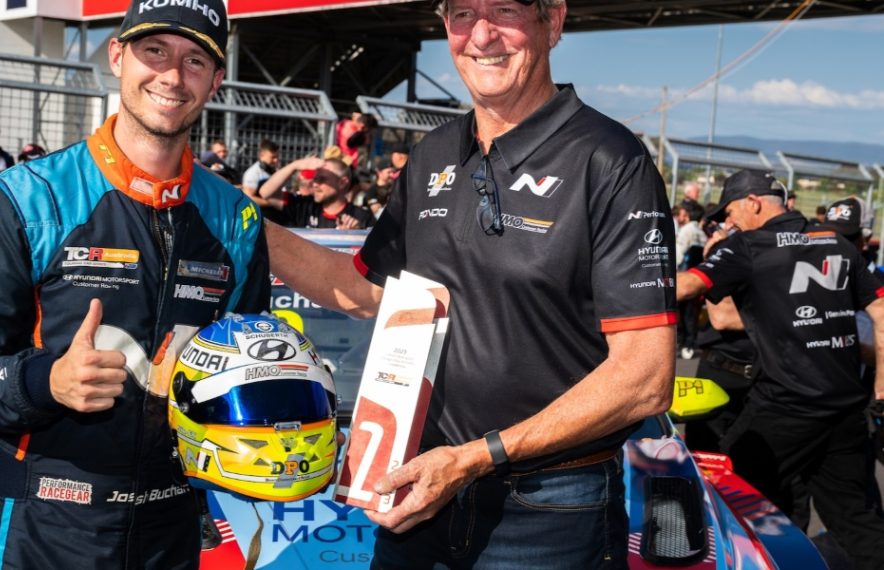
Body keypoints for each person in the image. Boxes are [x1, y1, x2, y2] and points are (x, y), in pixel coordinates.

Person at [267, 0, 675, 566]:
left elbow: (645, 377)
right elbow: (366, 292)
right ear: (445, 27)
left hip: (550, 510)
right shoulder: (432, 152)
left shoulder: (610, 160)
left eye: (504, 10)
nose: (481, 35)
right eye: (463, 14)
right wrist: (241, 224)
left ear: (551, 21)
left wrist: (474, 459)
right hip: (421, 490)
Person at [0, 0, 270, 566]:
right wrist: (48, 381)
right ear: (117, 56)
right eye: (153, 51)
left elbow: (242, 371)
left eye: (194, 60)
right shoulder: (26, 196)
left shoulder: (235, 217)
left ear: (216, 79)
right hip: (43, 526)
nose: (171, 75)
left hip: (175, 527)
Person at [676, 169, 884, 569]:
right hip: (845, 409)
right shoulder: (837, 244)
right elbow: (881, 312)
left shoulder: (748, 245)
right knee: (854, 520)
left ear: (753, 203)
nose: (729, 220)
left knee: (725, 490)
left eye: (732, 210)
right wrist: (880, 389)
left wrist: (606, 287)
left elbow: (686, 289)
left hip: (785, 405)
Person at [259, 157, 374, 230]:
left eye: (322, 179)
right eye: (315, 179)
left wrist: (354, 236)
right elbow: (266, 193)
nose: (315, 184)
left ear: (342, 182)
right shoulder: (305, 206)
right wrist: (294, 165)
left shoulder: (362, 218)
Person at [675, 201, 705, 359]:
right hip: (697, 276)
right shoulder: (700, 231)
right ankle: (689, 343)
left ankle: (685, 343)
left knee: (683, 313)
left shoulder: (687, 231)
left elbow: (678, 254)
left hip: (683, 276)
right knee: (690, 313)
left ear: (686, 214)